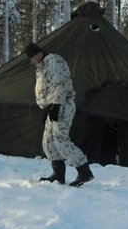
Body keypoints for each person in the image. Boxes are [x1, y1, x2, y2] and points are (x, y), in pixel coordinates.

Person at [25, 42, 94, 187]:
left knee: (60, 140)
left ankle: (84, 171)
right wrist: (47, 106)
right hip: (52, 107)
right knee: (48, 142)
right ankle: (58, 174)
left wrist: (56, 104)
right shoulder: (42, 66)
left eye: (32, 58)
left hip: (62, 105)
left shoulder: (54, 61)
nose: (31, 62)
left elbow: (61, 84)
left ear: (38, 53)